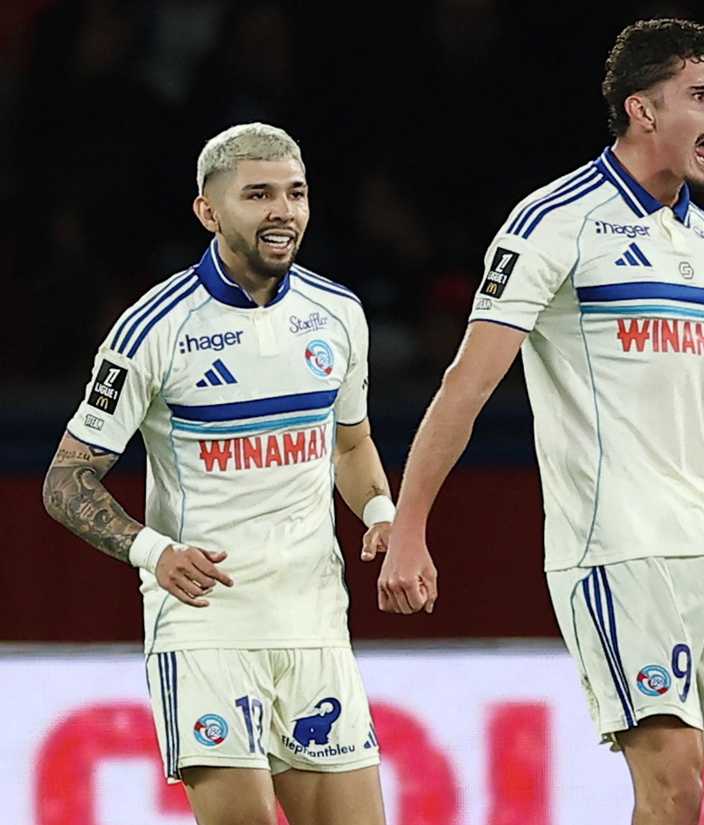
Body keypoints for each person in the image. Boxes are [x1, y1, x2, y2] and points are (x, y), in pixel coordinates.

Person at [372, 18, 704, 825]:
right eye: (701, 95)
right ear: (643, 110)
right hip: (616, 549)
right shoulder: (555, 221)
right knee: (673, 790)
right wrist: (409, 524)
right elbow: (465, 386)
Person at [43, 123, 393, 825]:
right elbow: (66, 480)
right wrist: (155, 551)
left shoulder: (339, 314)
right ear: (209, 211)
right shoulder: (154, 329)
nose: (282, 211)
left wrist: (384, 515)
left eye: (294, 193)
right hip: (207, 627)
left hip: (314, 619)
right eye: (258, 194)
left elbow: (349, 446)